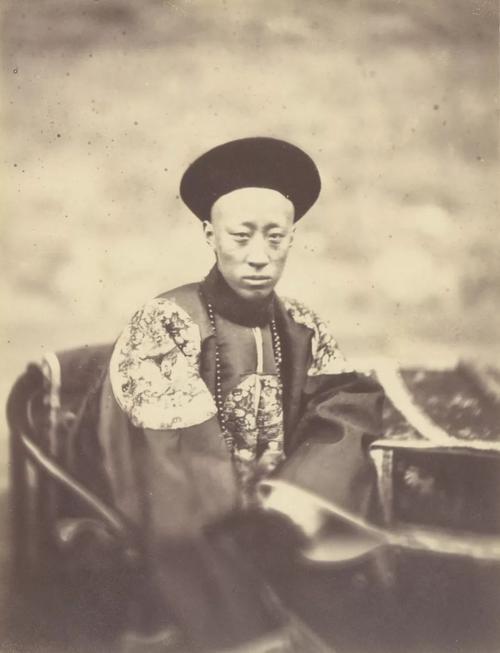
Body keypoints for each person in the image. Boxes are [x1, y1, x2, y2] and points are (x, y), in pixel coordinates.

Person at [97, 137, 384, 652]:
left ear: (292, 238)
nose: (259, 257)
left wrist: (296, 501)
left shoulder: (302, 325)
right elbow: (172, 459)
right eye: (241, 236)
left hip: (279, 516)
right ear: (210, 235)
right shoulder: (165, 322)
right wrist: (237, 521)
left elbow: (346, 405)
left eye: (275, 238)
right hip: (194, 519)